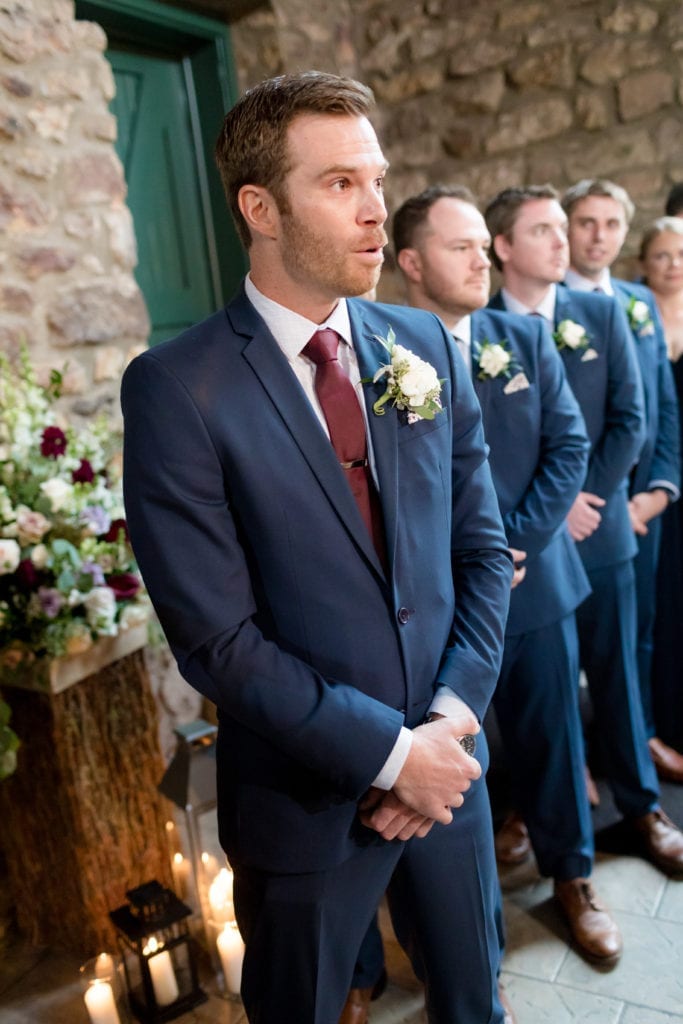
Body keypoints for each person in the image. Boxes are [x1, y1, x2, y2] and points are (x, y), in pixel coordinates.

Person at [121, 71, 514, 1024]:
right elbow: (218, 641)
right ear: (259, 207)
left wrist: (448, 728)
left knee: (477, 1008)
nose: (377, 211)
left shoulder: (419, 341)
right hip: (302, 811)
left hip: (450, 780)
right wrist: (390, 757)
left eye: (376, 180)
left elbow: (481, 552)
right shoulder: (179, 388)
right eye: (339, 184)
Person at [485, 184, 683, 880]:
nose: (566, 242)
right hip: (529, 549)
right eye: (548, 230)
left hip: (597, 530)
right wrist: (546, 514)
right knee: (539, 698)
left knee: (617, 676)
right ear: (503, 247)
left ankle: (641, 807)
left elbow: (631, 420)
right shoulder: (477, 330)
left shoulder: (602, 314)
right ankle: (533, 813)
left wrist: (585, 499)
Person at [562, 179, 682, 783]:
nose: (598, 235)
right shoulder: (547, 305)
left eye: (611, 223)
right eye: (586, 222)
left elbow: (661, 406)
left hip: (642, 506)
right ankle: (577, 757)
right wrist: (593, 501)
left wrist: (658, 491)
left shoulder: (639, 301)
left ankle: (638, 740)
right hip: (580, 505)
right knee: (577, 642)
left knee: (639, 633)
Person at [639, 216, 683, 755]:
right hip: (654, 478)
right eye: (662, 255)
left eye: (681, 253)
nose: (674, 264)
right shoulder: (630, 312)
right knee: (658, 604)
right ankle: (655, 724)